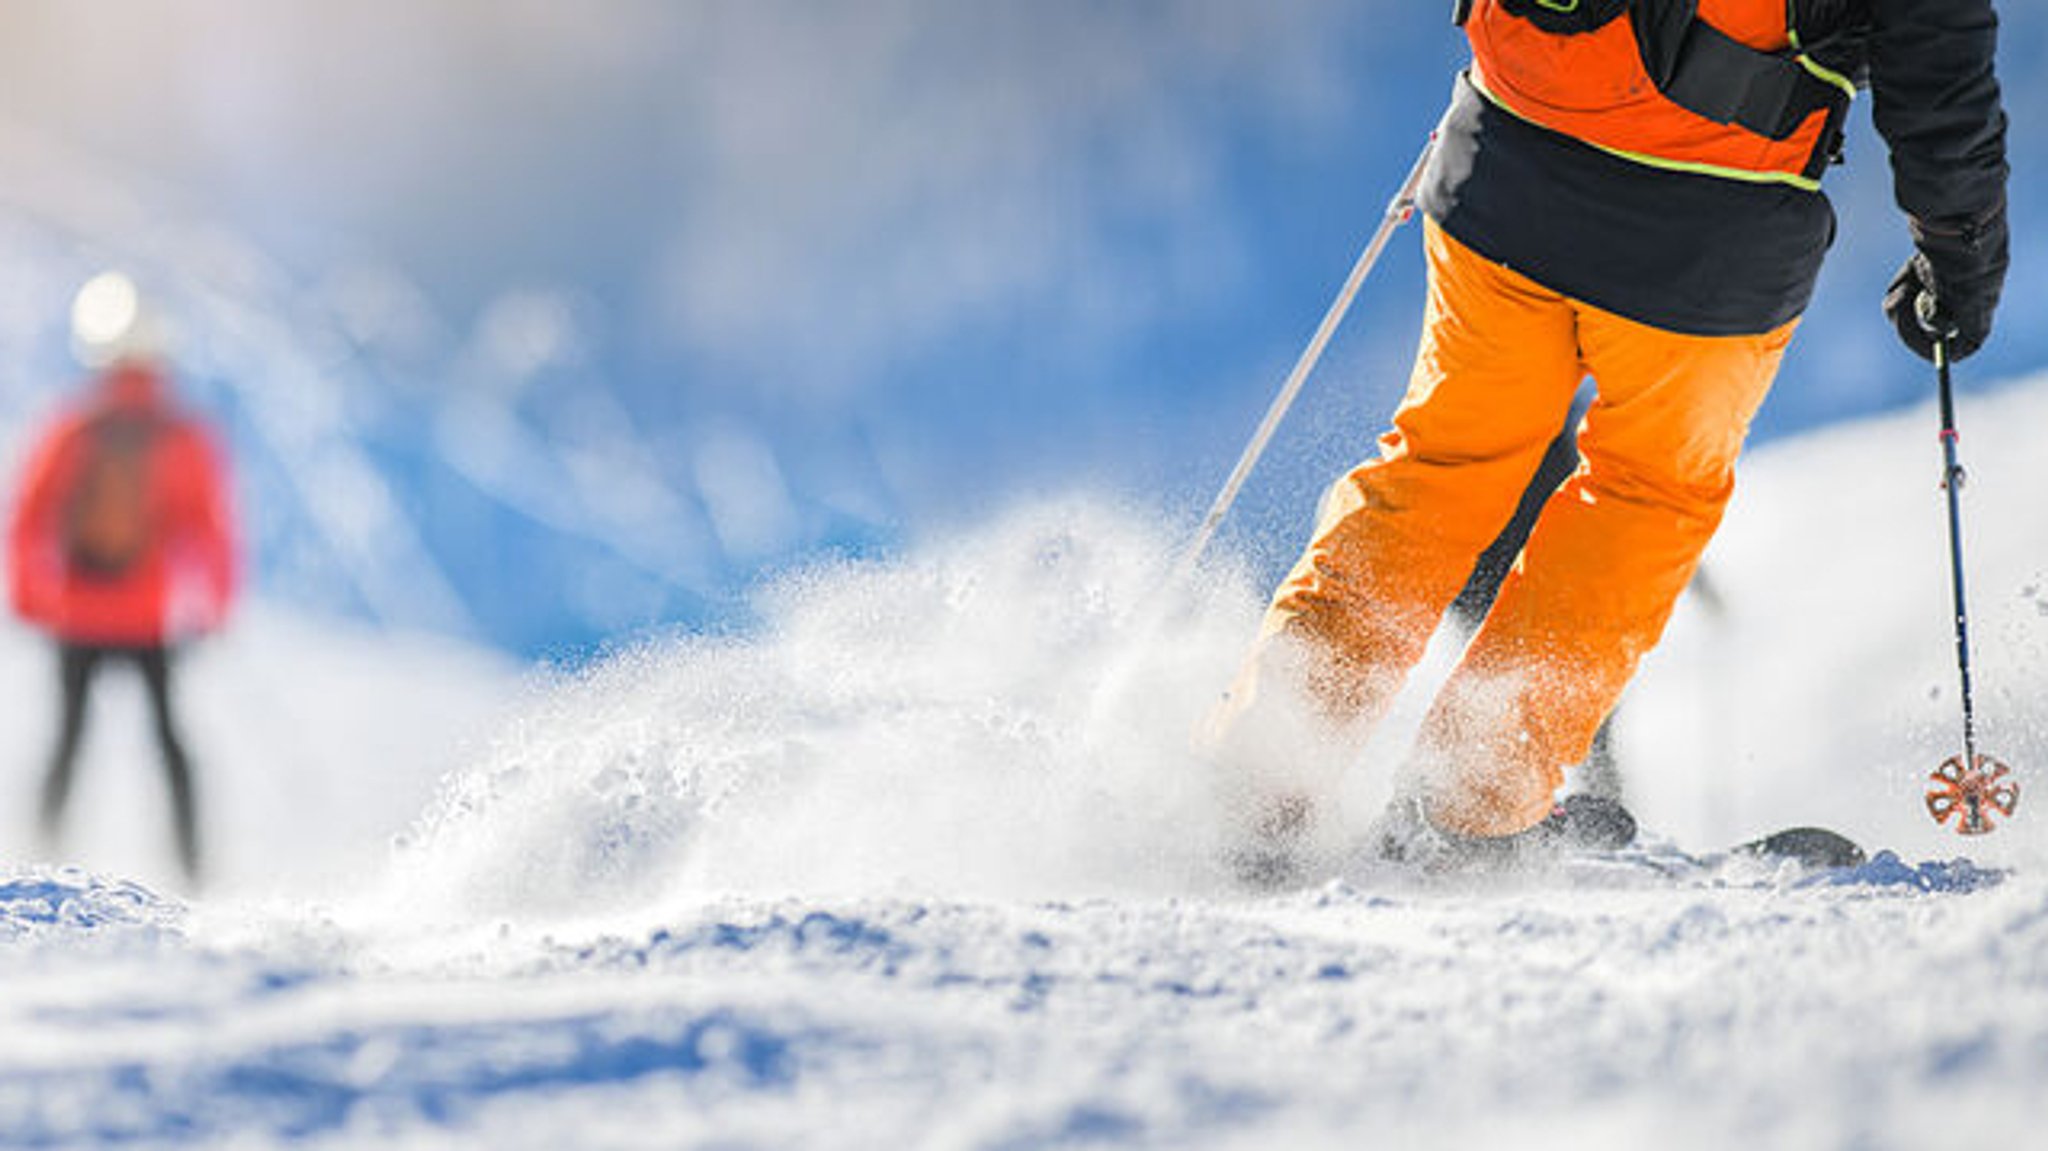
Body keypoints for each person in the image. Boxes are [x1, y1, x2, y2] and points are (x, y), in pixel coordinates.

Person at [1206, 0, 2008, 881]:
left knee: (1443, 465)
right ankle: (1467, 810)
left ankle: (1259, 778)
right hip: (1709, 234)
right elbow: (1937, 55)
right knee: (1643, 497)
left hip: (1509, 166)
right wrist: (1959, 248)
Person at [8, 354, 238, 886]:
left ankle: (39, 856)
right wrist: (215, 605)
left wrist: (25, 594)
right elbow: (210, 526)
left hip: (76, 612)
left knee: (67, 740)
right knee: (169, 742)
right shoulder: (179, 434)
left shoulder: (73, 425)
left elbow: (27, 510)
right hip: (148, 616)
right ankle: (193, 869)